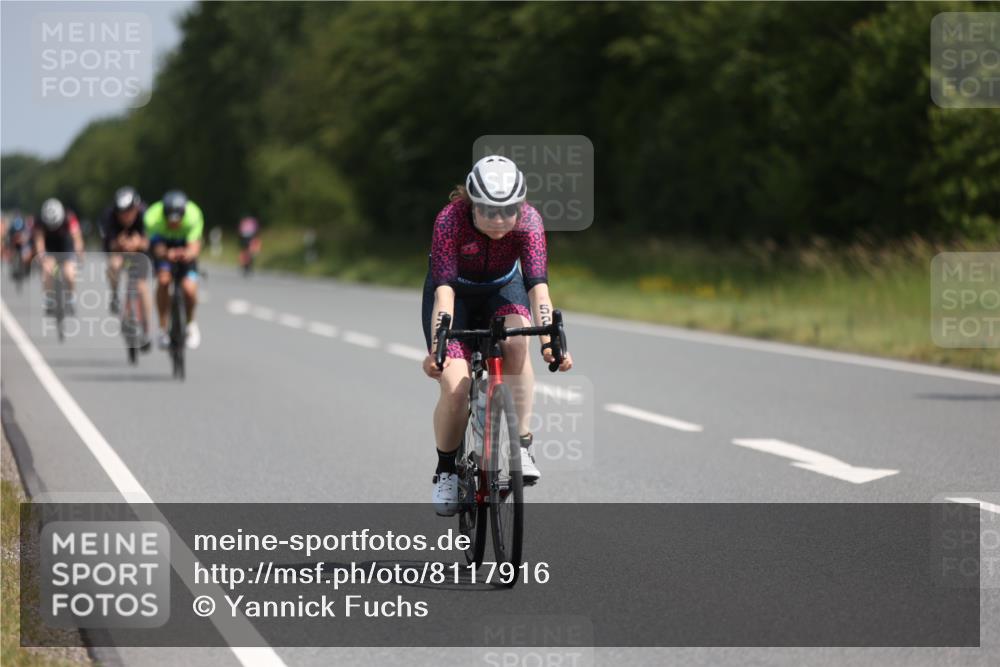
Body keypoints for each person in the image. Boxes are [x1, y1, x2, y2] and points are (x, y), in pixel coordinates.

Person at [422, 155, 573, 516]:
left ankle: (521, 445)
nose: (500, 219)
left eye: (509, 210)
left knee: (517, 342)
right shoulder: (449, 220)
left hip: (503, 289)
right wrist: (437, 349)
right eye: (489, 210)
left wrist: (550, 343)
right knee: (456, 387)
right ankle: (446, 471)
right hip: (454, 295)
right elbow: (443, 293)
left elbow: (538, 289)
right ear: (471, 203)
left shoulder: (530, 221)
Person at [144, 190, 204, 350]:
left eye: (177, 221)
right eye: (170, 221)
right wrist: (166, 253)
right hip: (164, 250)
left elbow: (195, 246)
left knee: (189, 289)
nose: (174, 224)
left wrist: (187, 254)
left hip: (186, 249)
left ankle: (191, 324)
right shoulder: (152, 217)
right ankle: (163, 329)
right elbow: (155, 247)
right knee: (163, 281)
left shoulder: (193, 215)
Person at [100, 186, 152, 350]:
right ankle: (115, 295)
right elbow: (109, 244)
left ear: (137, 208)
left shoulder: (146, 215)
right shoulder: (109, 217)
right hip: (119, 252)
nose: (125, 215)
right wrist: (120, 243)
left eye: (129, 211)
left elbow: (151, 241)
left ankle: (146, 329)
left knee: (142, 287)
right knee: (113, 265)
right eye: (121, 212)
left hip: (140, 254)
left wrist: (139, 243)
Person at [34, 198, 83, 315]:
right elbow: (39, 239)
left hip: (66, 247)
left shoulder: (69, 217)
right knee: (47, 270)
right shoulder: (40, 220)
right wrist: (41, 255)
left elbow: (77, 237)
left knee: (69, 274)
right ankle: (49, 298)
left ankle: (70, 299)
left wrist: (79, 252)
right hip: (50, 248)